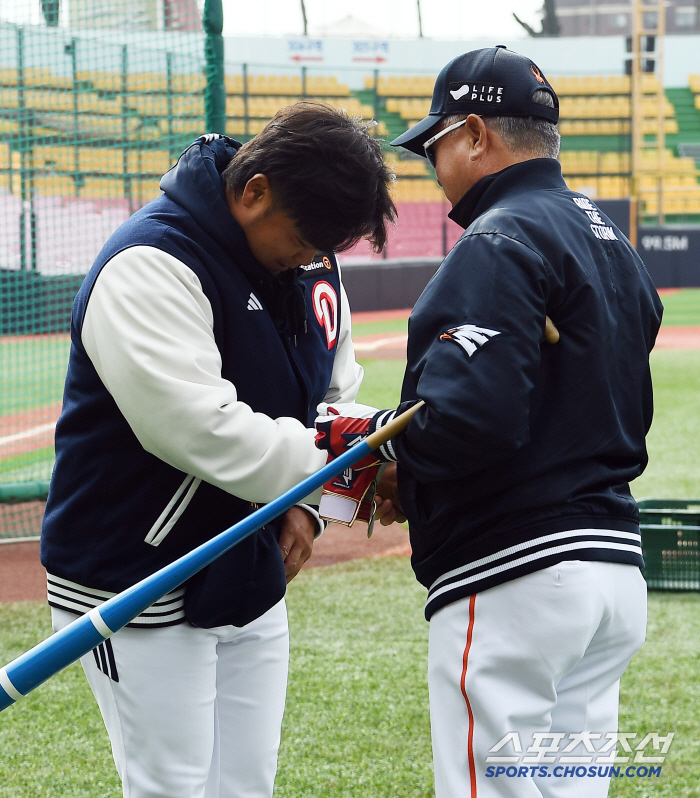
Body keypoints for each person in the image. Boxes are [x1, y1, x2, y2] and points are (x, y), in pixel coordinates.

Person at [320, 47, 663, 797]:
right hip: (611, 570)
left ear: (476, 134)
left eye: (438, 142)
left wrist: (389, 454)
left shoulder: (498, 238)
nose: (432, 164)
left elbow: (470, 420)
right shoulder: (614, 242)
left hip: (518, 575)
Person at [40, 102, 395, 798]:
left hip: (247, 564)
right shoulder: (151, 261)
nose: (309, 258)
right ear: (254, 189)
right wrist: (336, 474)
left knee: (245, 785)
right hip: (133, 574)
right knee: (172, 788)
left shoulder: (313, 262)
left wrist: (315, 508)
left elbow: (335, 393)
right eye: (302, 238)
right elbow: (198, 429)